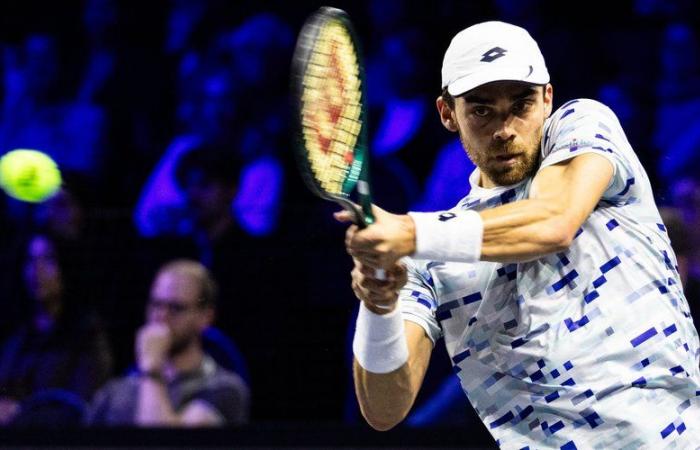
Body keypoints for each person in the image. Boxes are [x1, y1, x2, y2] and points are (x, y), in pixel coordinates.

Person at [336, 21, 700, 448]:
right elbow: (383, 410)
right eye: (482, 109)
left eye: (521, 104)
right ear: (447, 113)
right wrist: (378, 303)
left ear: (547, 99)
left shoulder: (585, 126)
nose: (504, 128)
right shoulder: (428, 259)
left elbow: (554, 221)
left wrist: (408, 230)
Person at [88, 259, 249, 426]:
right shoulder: (117, 391)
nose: (161, 316)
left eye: (176, 308)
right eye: (156, 305)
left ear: (205, 317)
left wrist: (152, 369)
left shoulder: (224, 389)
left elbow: (162, 443)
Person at [0, 233, 113, 425]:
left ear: (65, 266)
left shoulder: (86, 333)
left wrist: (20, 412)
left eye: (47, 260)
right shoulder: (17, 337)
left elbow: (83, 404)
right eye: (30, 261)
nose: (37, 271)